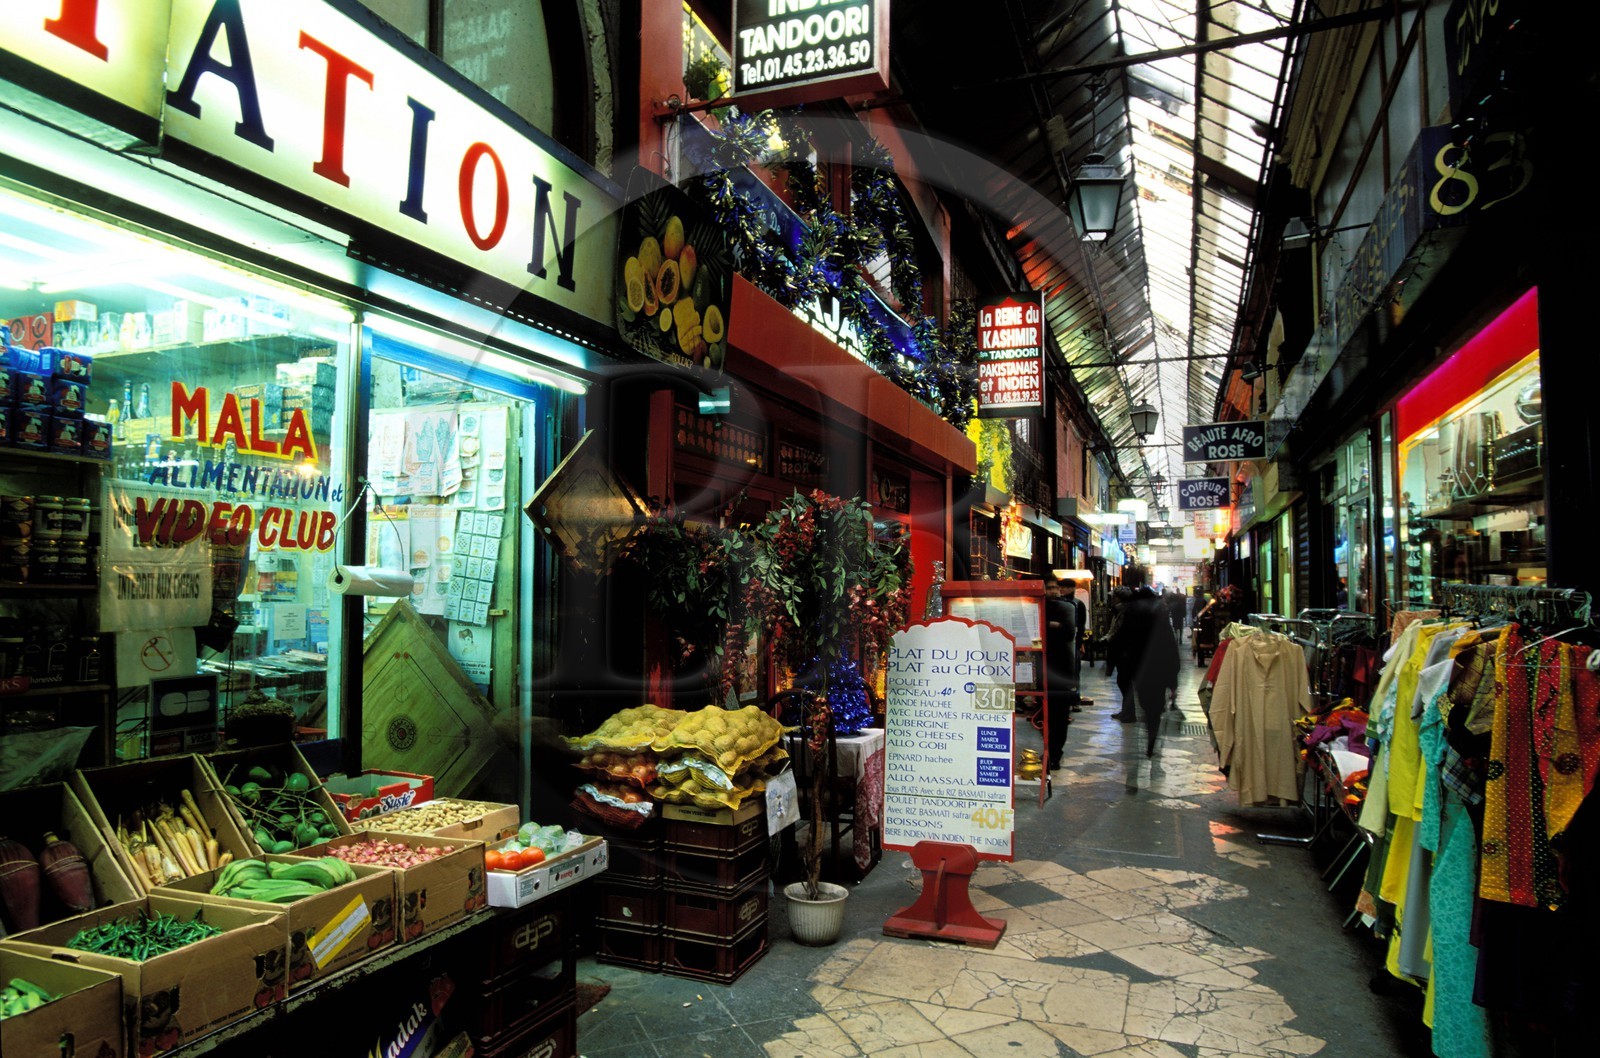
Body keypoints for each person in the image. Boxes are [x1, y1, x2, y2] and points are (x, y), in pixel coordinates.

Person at [1108, 566, 1181, 757]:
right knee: (1155, 706)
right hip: (1159, 665)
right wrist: (1173, 676)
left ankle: (1150, 724)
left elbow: (1121, 638)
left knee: (1146, 700)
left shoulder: (1131, 610)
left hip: (1138, 664)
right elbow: (1169, 642)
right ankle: (1152, 735)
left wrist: (1111, 663)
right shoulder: (1160, 612)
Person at [1042, 578, 1079, 771]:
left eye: (1056, 587)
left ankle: (1055, 754)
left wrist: (1051, 625)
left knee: (1058, 715)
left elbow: (1069, 631)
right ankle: (1049, 752)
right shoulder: (1037, 605)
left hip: (1061, 669)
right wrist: (1052, 625)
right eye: (1050, 587)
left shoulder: (1068, 607)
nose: (1054, 591)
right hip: (1042, 668)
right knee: (1043, 715)